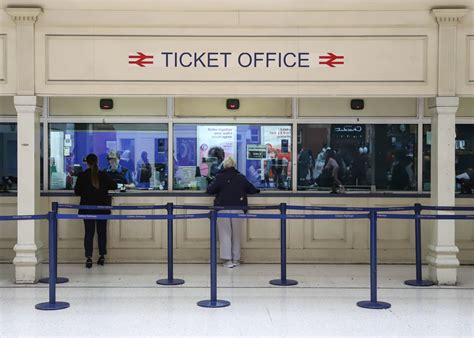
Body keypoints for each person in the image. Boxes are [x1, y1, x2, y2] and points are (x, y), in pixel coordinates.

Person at [206, 156, 260, 268]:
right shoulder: (241, 177)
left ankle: (227, 260)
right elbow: (252, 189)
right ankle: (236, 259)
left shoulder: (219, 177)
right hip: (238, 208)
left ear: (224, 165)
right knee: (236, 234)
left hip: (222, 208)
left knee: (225, 234)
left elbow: (210, 190)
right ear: (234, 165)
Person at [74, 153, 117, 268]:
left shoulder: (82, 176)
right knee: (101, 232)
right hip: (102, 208)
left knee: (89, 233)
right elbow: (114, 185)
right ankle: (102, 256)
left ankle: (88, 257)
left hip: (87, 208)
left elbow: (77, 191)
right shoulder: (104, 175)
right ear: (97, 161)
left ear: (86, 163)